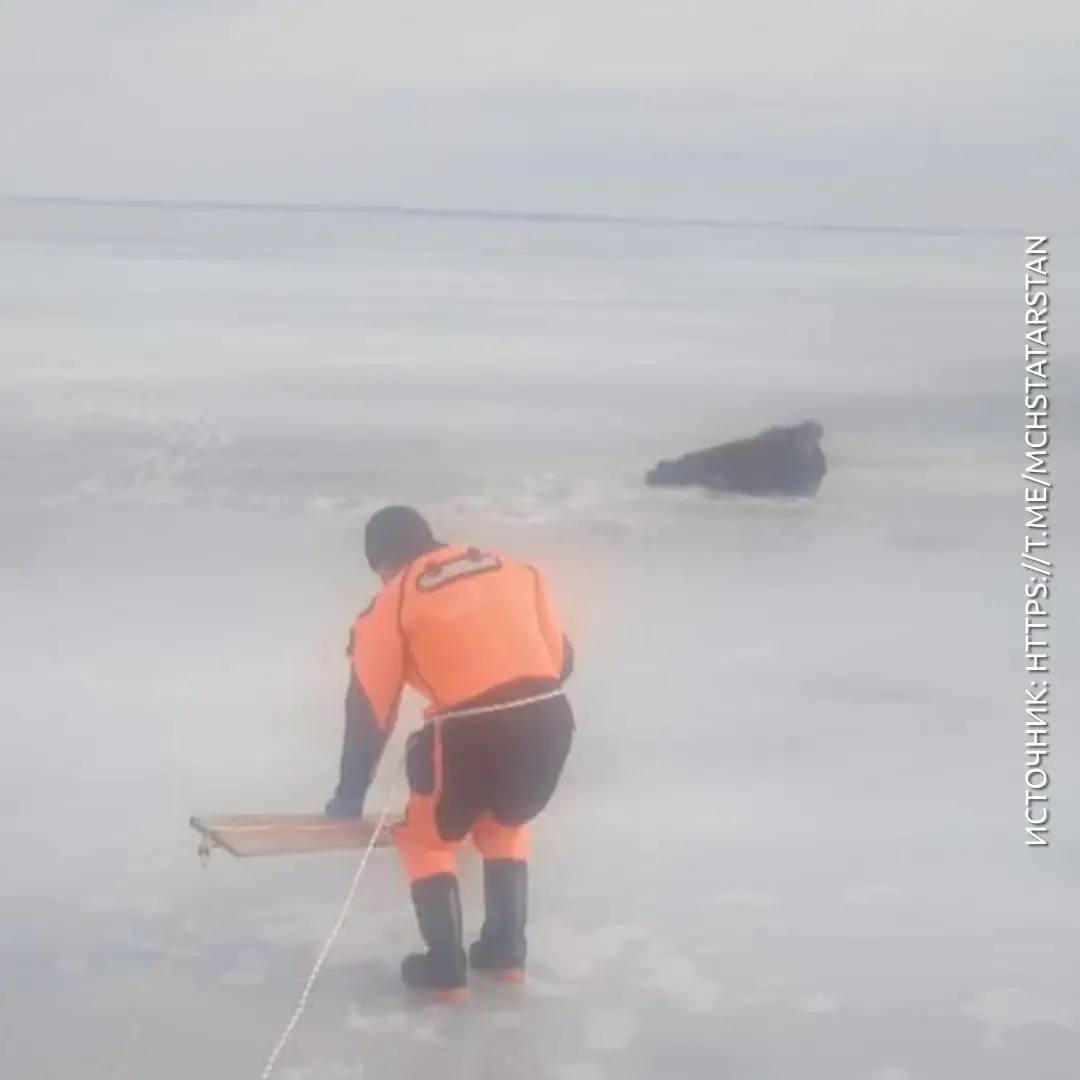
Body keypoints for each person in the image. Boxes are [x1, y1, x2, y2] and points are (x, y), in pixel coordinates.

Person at [325, 506, 575, 998]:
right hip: (551, 721)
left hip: (468, 733)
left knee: (426, 838)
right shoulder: (514, 568)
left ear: (380, 563)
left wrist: (349, 795)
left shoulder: (391, 601)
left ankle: (444, 967)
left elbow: (369, 712)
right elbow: (560, 659)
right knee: (504, 823)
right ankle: (506, 951)